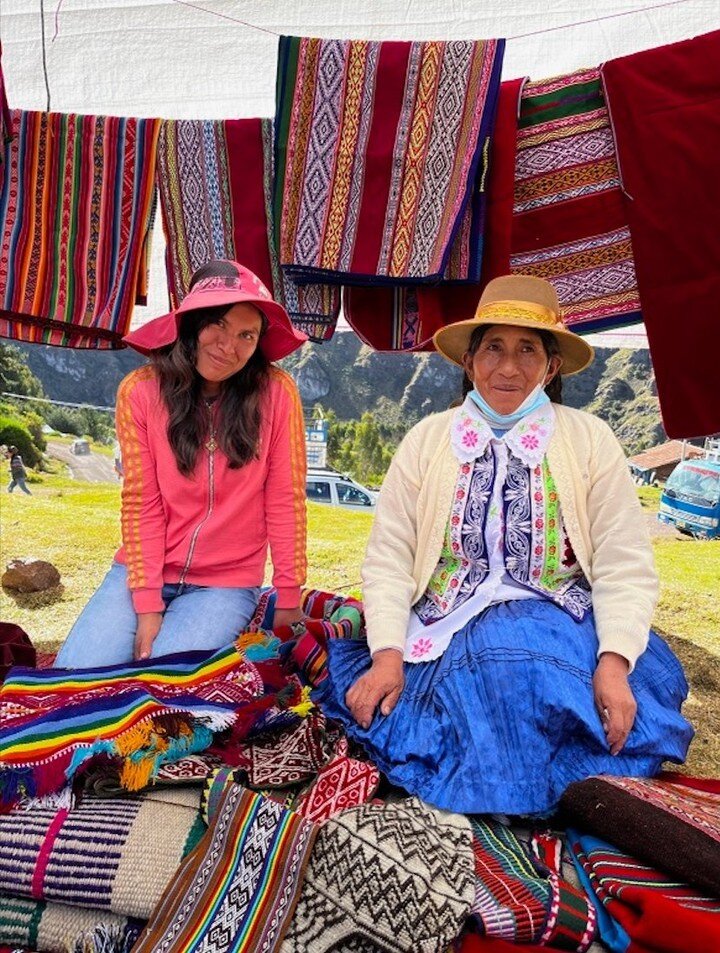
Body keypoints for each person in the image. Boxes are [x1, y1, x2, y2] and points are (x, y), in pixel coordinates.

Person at [316, 275, 693, 816]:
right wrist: (387, 656)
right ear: (469, 360)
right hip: (448, 620)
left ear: (551, 366)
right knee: (490, 680)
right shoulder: (428, 440)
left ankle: (521, 784)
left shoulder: (588, 439)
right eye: (494, 347)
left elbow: (622, 560)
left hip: (558, 614)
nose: (509, 367)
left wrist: (612, 666)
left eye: (527, 350)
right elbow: (391, 556)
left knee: (539, 679)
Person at [56, 260, 308, 668]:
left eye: (247, 335)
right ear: (191, 322)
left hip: (225, 585)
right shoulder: (140, 392)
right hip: (142, 572)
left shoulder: (276, 393)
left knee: (162, 688)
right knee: (77, 676)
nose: (230, 345)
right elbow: (142, 504)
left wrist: (289, 594)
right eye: (219, 325)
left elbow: (285, 498)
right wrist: (147, 603)